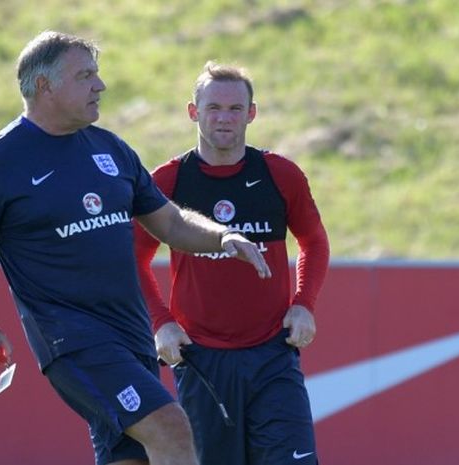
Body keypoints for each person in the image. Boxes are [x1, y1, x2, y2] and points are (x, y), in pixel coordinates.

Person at [0, 31, 271, 465]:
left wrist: (222, 236)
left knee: (132, 458)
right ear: (44, 87)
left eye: (97, 74)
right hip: (74, 341)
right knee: (172, 427)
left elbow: (169, 221)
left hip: (132, 337)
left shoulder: (109, 148)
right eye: (85, 76)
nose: (100, 85)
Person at [134, 61, 330, 465]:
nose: (224, 117)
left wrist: (304, 303)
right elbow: (133, 258)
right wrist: (161, 323)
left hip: (273, 354)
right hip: (202, 359)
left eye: (235, 108)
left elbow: (314, 241)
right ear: (194, 112)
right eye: (213, 108)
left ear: (251, 114)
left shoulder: (281, 174)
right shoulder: (168, 181)